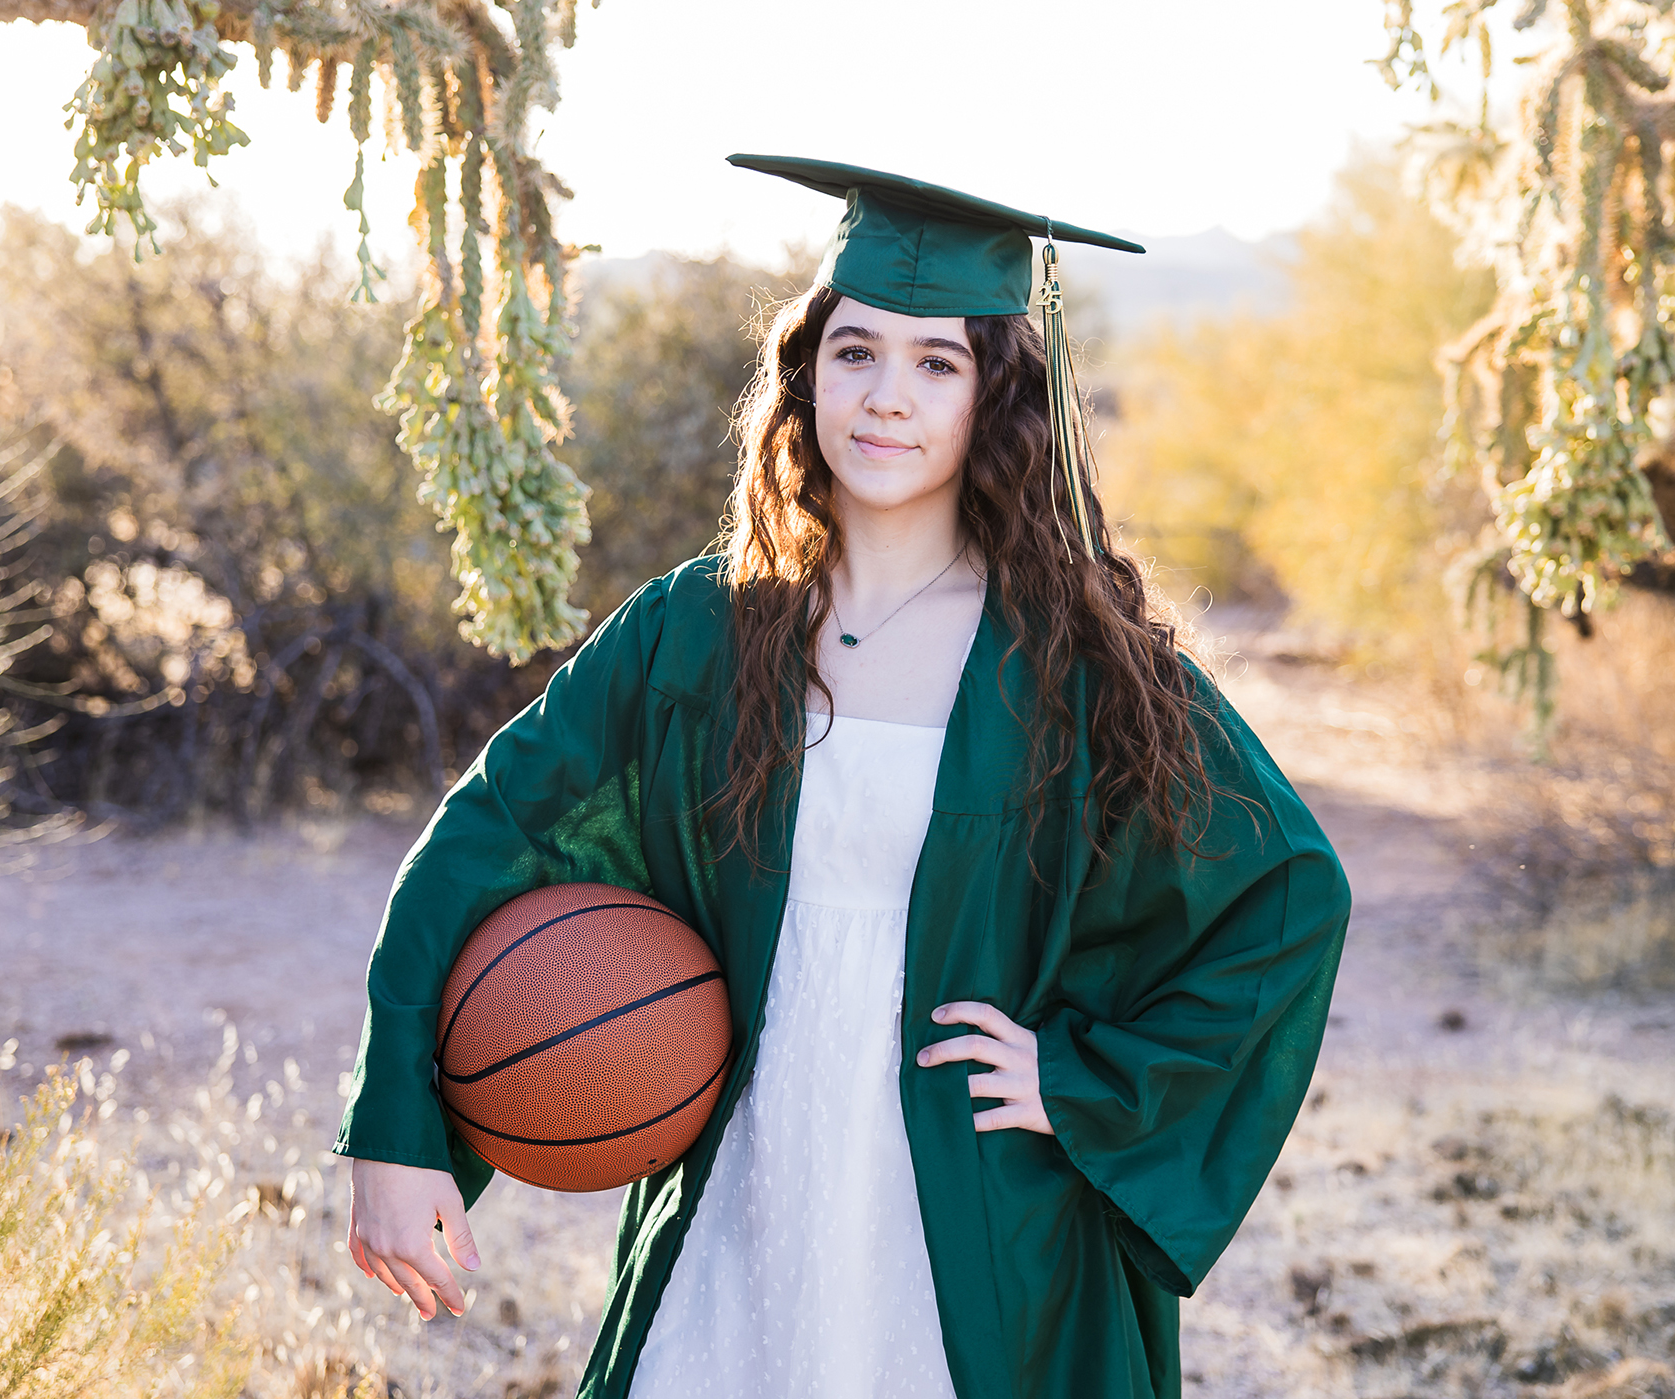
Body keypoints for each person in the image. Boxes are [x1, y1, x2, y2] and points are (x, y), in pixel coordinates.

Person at [334, 155, 1350, 1399]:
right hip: (746, 1200)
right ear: (807, 370)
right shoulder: (694, 635)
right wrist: (396, 1129)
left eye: (939, 363)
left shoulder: (1080, 666)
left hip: (977, 1225)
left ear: (999, 398)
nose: (887, 398)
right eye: (858, 350)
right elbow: (485, 839)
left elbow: (1289, 898)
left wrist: (1083, 1081)